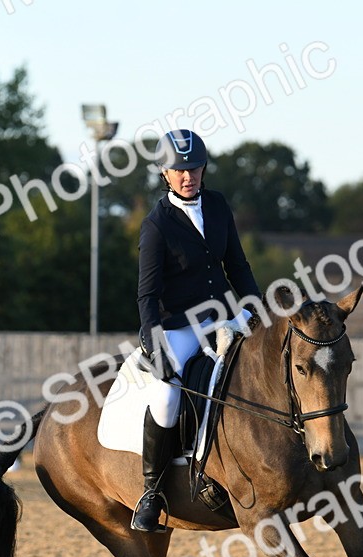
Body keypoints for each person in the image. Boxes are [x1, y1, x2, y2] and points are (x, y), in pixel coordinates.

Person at [131, 129, 262, 532]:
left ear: (204, 168)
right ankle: (152, 493)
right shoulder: (156, 226)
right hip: (177, 326)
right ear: (164, 174)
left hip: (223, 316)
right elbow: (147, 296)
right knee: (168, 397)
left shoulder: (219, 206)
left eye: (193, 167)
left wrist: (255, 307)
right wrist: (156, 349)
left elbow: (236, 265)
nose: (187, 175)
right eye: (178, 169)